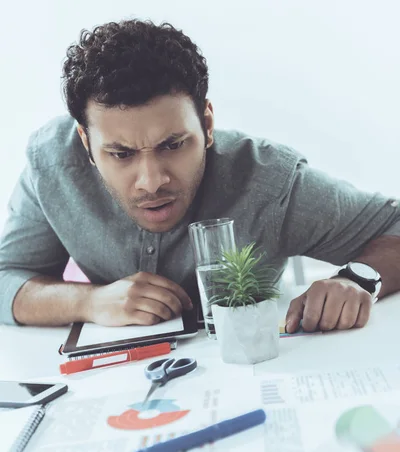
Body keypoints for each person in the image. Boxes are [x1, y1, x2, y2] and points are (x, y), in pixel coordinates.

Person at [0, 19, 399, 333]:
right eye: (121, 154)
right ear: (86, 141)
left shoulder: (268, 182)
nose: (151, 181)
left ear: (207, 124)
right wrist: (90, 301)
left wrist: (357, 279)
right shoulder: (51, 163)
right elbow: (6, 277)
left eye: (173, 145)